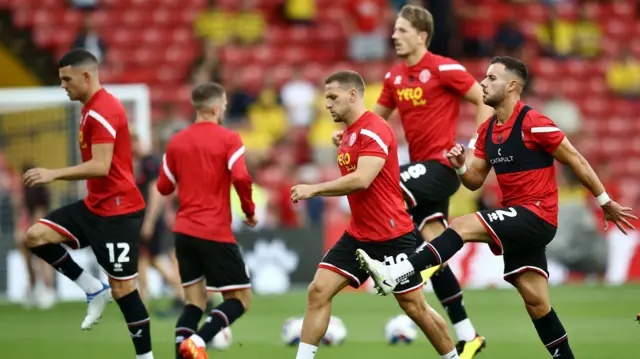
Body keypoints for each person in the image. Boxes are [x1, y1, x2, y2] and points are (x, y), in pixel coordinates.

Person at [357, 56, 637, 359]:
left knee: (461, 226)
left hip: (537, 214)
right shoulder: (489, 131)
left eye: (492, 78)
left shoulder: (534, 122)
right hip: (518, 221)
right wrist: (461, 166)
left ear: (513, 85)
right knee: (536, 302)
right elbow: (475, 181)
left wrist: (604, 201)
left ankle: (398, 271)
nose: (483, 83)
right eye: (485, 77)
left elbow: (576, 159)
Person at [333, 5, 492, 356]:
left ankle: (388, 260)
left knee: (381, 184)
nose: (394, 36)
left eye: (401, 30)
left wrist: (475, 149)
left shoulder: (444, 68)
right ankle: (468, 335)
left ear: (421, 35)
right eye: (394, 30)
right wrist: (348, 134)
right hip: (420, 170)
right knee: (433, 248)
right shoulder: (393, 78)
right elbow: (374, 120)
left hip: (440, 167)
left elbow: (483, 99)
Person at [290, 70, 460, 359]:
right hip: (359, 235)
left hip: (392, 235)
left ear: (353, 95)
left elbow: (362, 179)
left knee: (414, 307)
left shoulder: (374, 129)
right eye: (325, 97)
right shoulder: (350, 134)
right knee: (318, 291)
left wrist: (314, 189)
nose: (327, 103)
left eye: (333, 96)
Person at [22, 48, 154, 359]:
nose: (63, 85)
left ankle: (146, 358)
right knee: (36, 236)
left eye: (67, 79)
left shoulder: (103, 109)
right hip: (96, 205)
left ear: (86, 76)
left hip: (119, 212)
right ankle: (92, 288)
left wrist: (53, 173)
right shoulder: (88, 107)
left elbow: (101, 166)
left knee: (124, 289)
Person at [156, 82, 256, 359]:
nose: (224, 109)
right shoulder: (229, 138)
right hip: (213, 231)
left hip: (183, 232)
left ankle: (184, 353)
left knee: (194, 304)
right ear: (215, 107)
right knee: (240, 300)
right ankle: (199, 341)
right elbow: (241, 177)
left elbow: (164, 187)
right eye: (223, 105)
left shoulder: (176, 141)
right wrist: (248, 210)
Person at [131, 133, 184, 310]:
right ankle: (143, 301)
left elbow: (156, 193)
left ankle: (185, 294)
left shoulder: (150, 163)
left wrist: (149, 221)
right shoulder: (144, 163)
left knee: (155, 259)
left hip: (152, 219)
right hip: (149, 219)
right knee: (144, 260)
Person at [16, 162, 56, 309]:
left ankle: (47, 290)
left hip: (38, 229)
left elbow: (39, 213)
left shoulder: (38, 191)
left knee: (41, 260)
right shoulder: (27, 192)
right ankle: (35, 290)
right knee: (32, 262)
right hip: (31, 229)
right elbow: (22, 213)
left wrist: (29, 231)